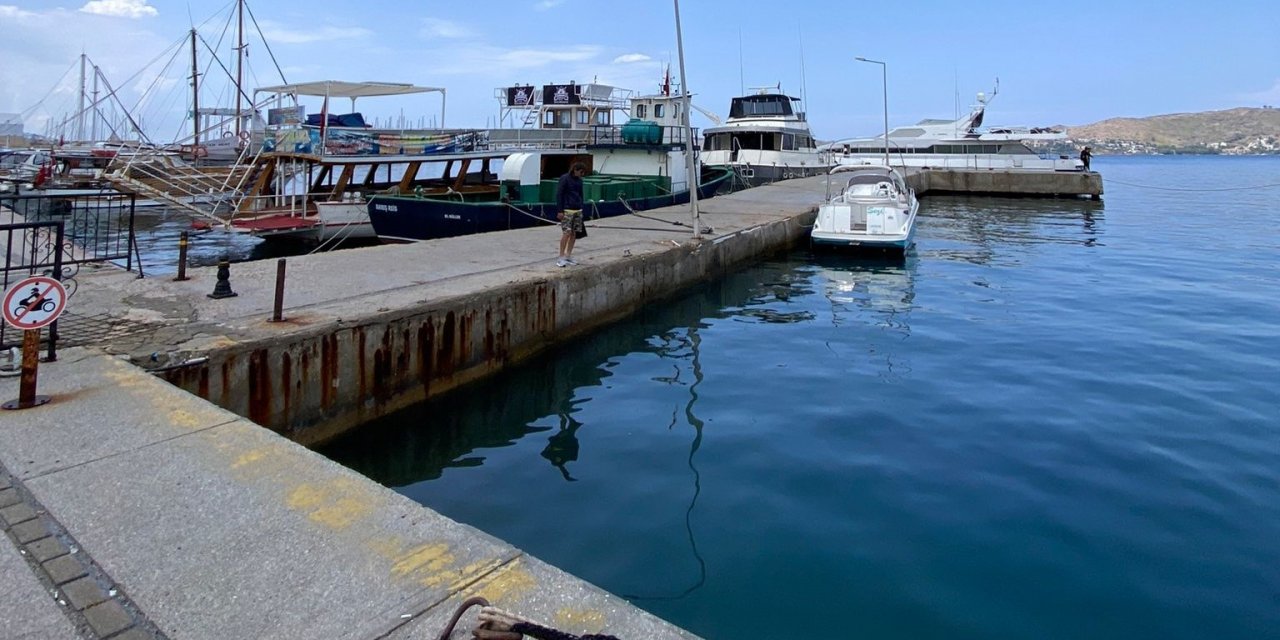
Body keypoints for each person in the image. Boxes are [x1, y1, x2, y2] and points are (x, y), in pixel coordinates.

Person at [555, 162, 587, 267]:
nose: (582, 174)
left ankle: (568, 255)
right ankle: (561, 257)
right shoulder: (564, 179)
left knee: (574, 234)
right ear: (575, 170)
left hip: (577, 210)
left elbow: (581, 194)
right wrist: (560, 210)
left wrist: (581, 207)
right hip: (567, 210)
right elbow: (559, 194)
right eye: (581, 172)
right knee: (566, 233)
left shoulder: (580, 181)